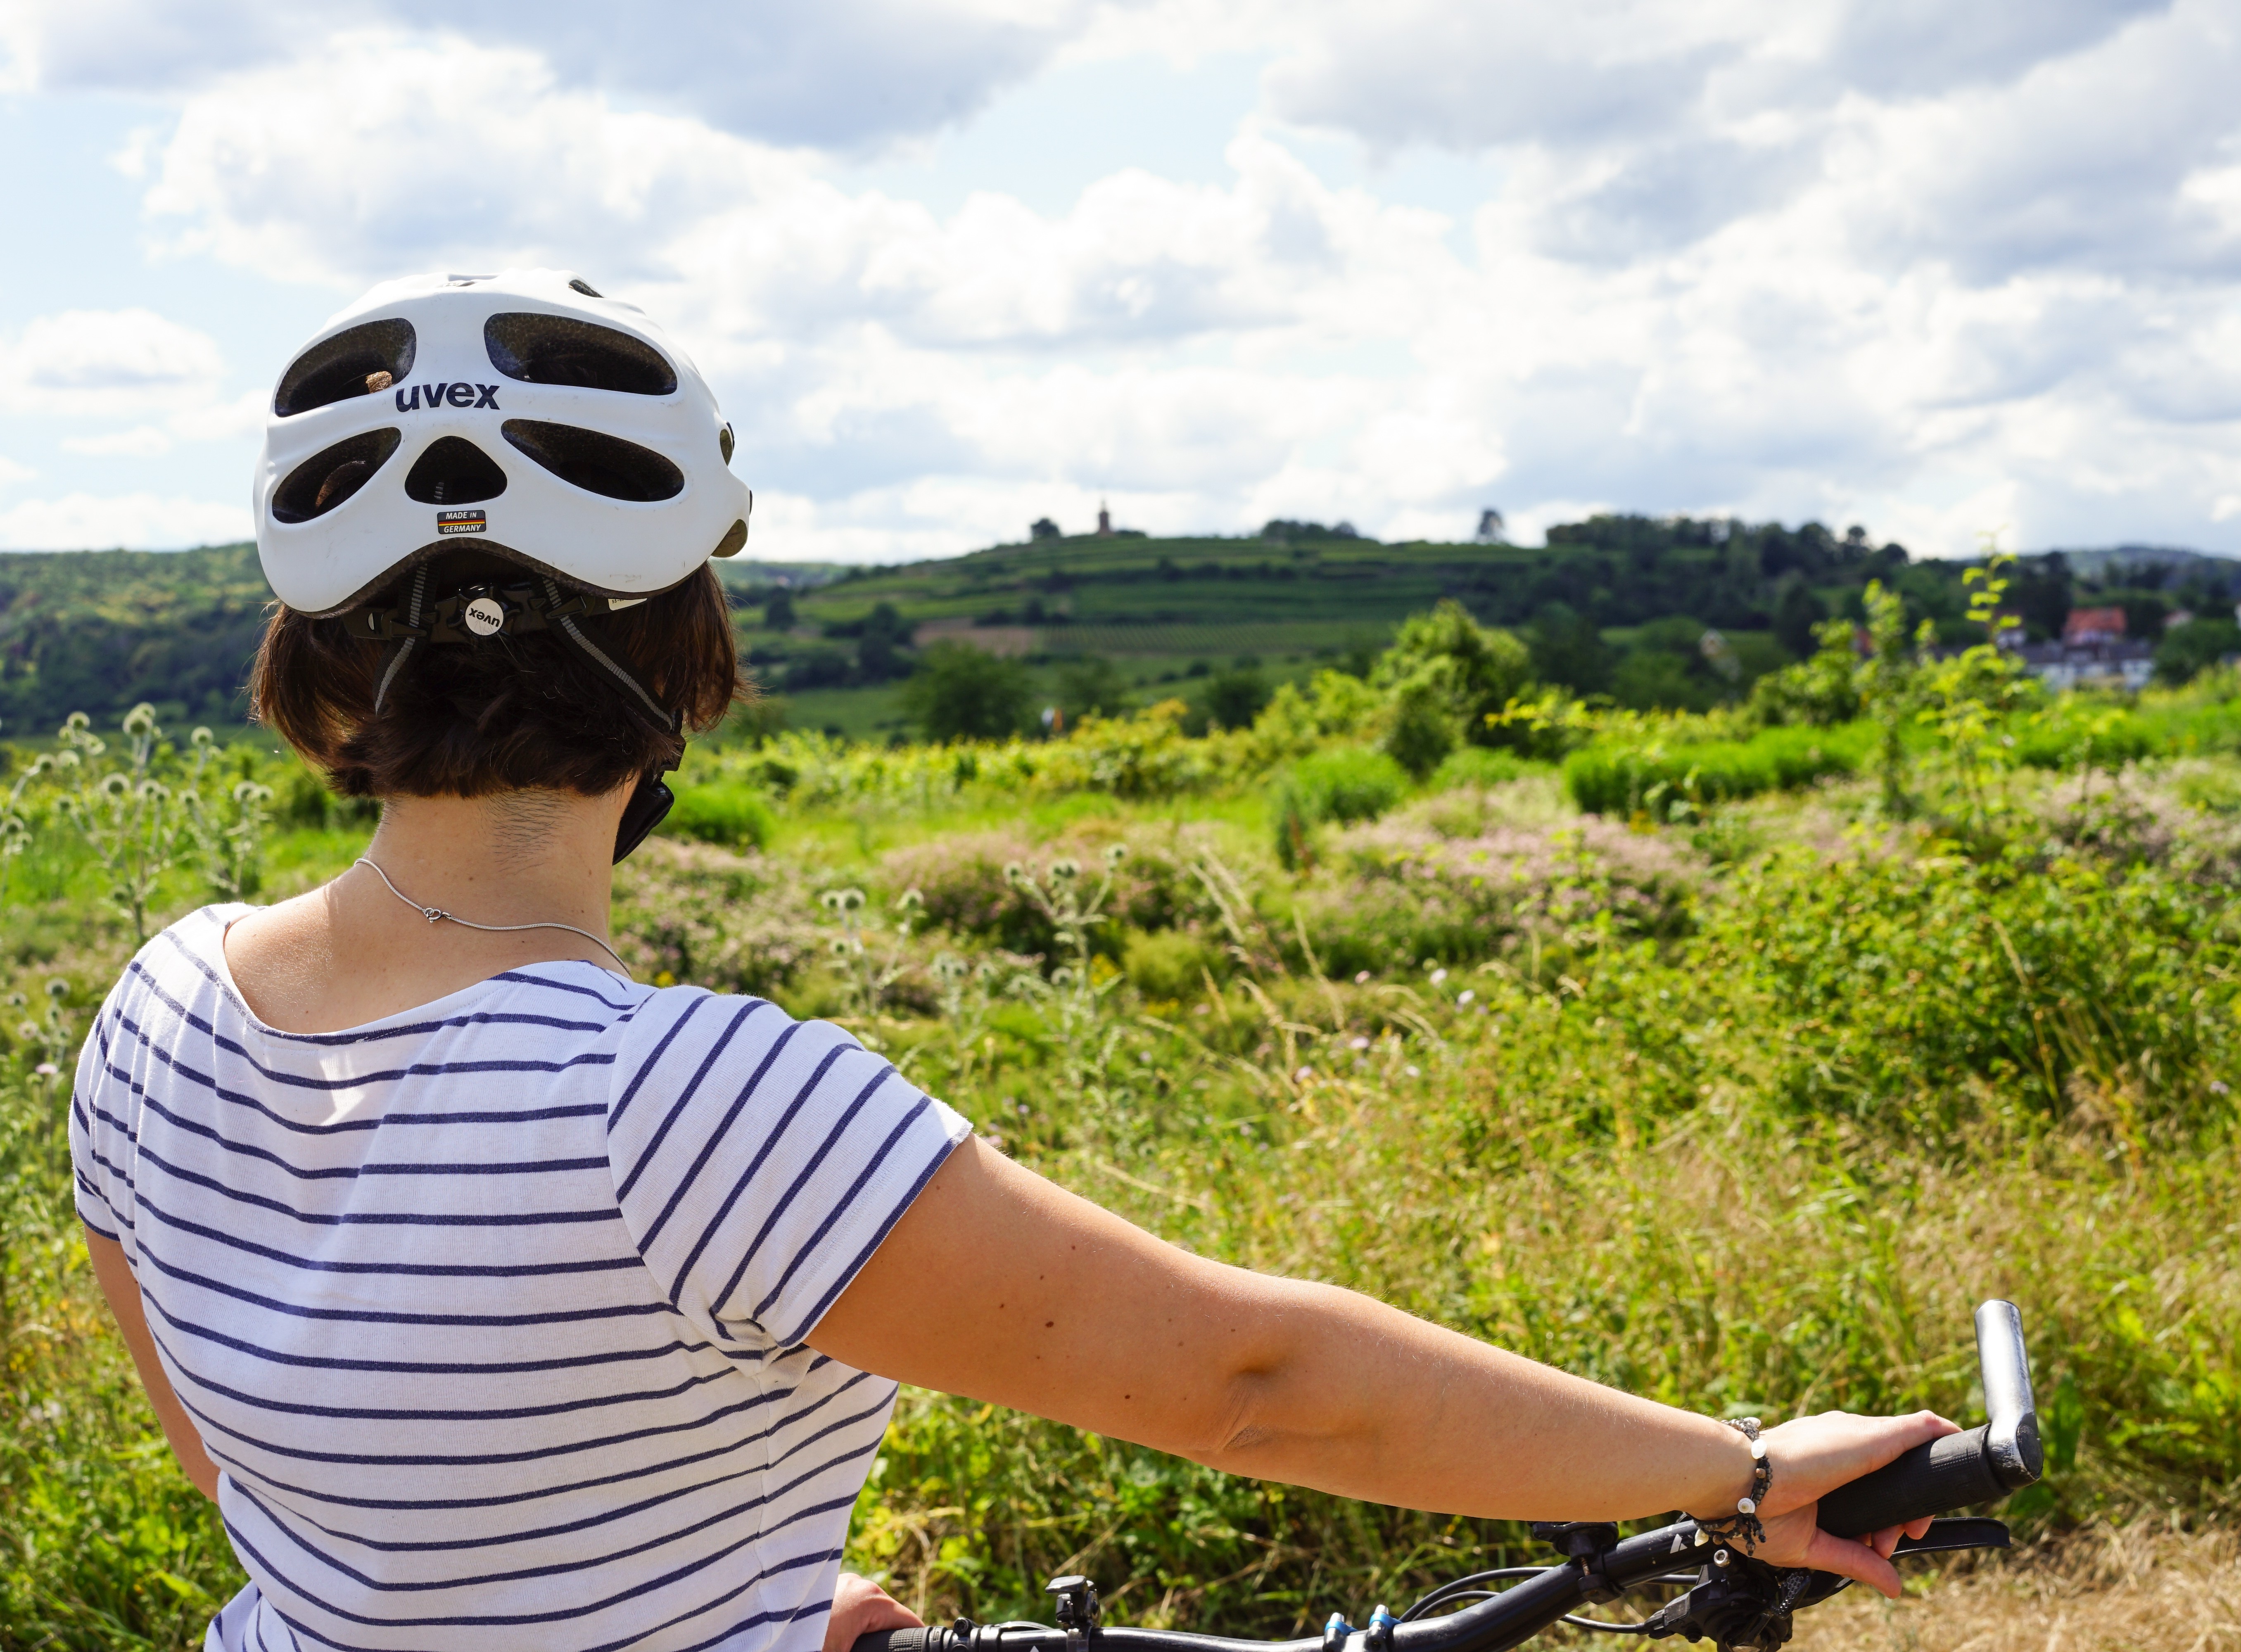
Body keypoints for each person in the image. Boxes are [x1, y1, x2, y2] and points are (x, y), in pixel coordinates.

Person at [69, 271, 1953, 1652]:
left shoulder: (158, 1007)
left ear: (316, 670)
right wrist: (1742, 1464)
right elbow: (1254, 1377)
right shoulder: (675, 1102)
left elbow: (280, 1495)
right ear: (683, 668)